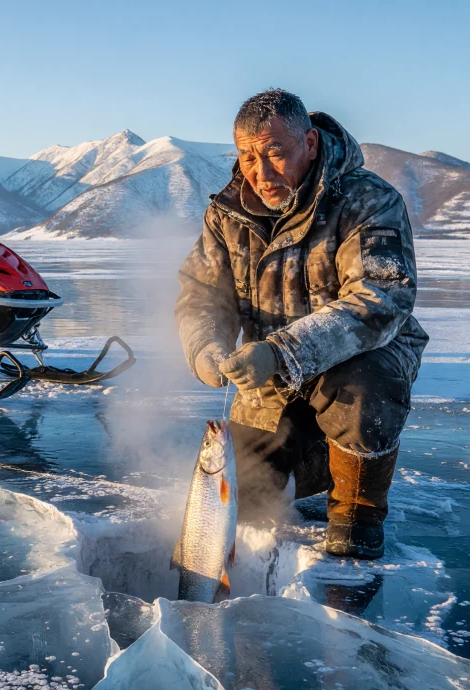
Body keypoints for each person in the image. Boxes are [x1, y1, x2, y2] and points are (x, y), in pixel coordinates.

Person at [175, 88, 428, 560]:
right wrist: (204, 347)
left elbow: (381, 298)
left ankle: (358, 512)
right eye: (248, 157)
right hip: (270, 371)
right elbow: (202, 293)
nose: (261, 172)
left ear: (310, 143)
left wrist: (281, 352)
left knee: (362, 382)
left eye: (274, 153)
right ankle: (321, 458)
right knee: (244, 501)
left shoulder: (368, 201)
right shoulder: (227, 214)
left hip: (358, 359)